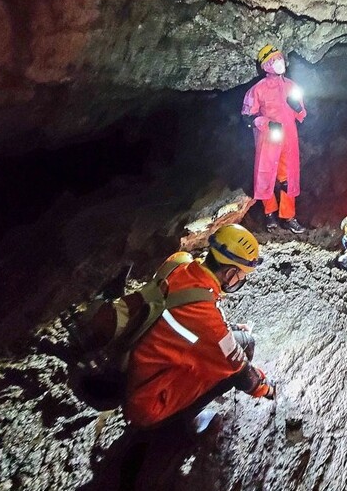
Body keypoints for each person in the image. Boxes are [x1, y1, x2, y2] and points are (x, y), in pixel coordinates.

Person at [124, 224, 275, 429]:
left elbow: (185, 316)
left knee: (239, 340)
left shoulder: (178, 262)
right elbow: (240, 370)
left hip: (134, 367)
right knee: (231, 367)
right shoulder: (207, 320)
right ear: (230, 273)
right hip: (148, 401)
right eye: (242, 274)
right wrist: (265, 389)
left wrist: (228, 330)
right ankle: (178, 425)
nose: (242, 279)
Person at [242, 44, 307, 234]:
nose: (279, 63)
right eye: (274, 60)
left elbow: (302, 115)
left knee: (288, 179)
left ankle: (288, 217)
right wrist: (267, 123)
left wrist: (297, 107)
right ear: (266, 66)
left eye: (280, 58)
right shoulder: (257, 90)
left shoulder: (292, 87)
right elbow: (247, 117)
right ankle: (269, 214)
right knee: (266, 176)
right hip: (268, 140)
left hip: (289, 140)